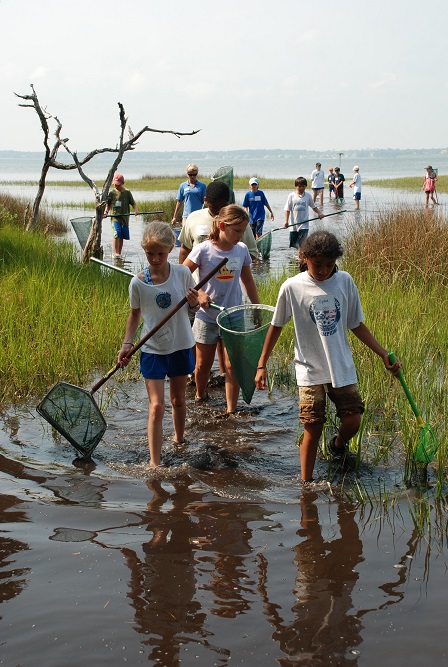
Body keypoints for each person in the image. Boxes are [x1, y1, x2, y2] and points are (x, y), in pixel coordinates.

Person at [255, 230, 402, 483]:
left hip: (340, 365)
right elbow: (276, 325)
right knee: (312, 426)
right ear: (304, 257)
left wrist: (382, 353)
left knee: (353, 420)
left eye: (329, 265)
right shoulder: (292, 287)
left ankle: (337, 445)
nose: (323, 271)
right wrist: (261, 364)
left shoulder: (345, 282)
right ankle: (306, 485)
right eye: (317, 265)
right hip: (309, 368)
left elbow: (356, 324)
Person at [117, 222, 200, 468]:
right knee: (157, 405)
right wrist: (127, 344)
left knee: (178, 400)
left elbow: (192, 309)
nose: (155, 259)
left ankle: (179, 439)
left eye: (160, 254)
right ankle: (155, 463)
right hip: (152, 349)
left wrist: (194, 303)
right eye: (150, 254)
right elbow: (134, 315)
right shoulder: (138, 282)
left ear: (171, 249)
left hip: (181, 345)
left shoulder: (183, 274)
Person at [178, 181, 259, 383]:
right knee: (202, 364)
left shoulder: (240, 246)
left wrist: (256, 307)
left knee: (231, 363)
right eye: (237, 231)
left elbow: (247, 279)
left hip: (232, 312)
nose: (240, 235)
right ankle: (199, 392)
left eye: (242, 231)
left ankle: (229, 401)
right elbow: (182, 270)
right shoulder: (200, 235)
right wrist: (198, 294)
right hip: (203, 308)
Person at [105, 173, 139, 259]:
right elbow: (108, 205)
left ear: (122, 183)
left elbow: (133, 203)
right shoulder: (111, 193)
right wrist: (106, 212)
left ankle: (119, 253)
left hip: (124, 218)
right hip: (115, 217)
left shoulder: (127, 192)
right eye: (115, 184)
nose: (116, 186)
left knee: (122, 235)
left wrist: (136, 210)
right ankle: (115, 253)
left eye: (118, 184)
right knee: (117, 234)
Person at [284, 177, 324, 249]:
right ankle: (300, 256)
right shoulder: (291, 196)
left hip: (304, 224)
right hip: (293, 225)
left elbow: (313, 206)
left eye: (303, 186)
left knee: (301, 244)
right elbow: (287, 209)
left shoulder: (308, 196)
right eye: (299, 186)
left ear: (305, 186)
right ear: (296, 186)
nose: (301, 188)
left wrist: (319, 213)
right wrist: (286, 221)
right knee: (294, 244)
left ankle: (301, 259)